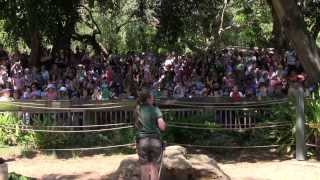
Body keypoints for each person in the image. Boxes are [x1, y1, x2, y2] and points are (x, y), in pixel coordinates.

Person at [135, 90, 166, 180]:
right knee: (154, 167)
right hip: (155, 141)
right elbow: (162, 127)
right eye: (152, 97)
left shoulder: (137, 109)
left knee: (144, 167)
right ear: (148, 99)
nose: (153, 99)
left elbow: (137, 125)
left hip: (142, 141)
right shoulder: (155, 109)